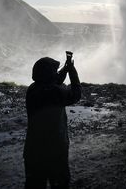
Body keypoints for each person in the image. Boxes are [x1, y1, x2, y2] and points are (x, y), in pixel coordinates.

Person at [24, 52, 82, 189]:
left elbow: (52, 81)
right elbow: (76, 93)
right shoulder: (57, 92)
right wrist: (72, 71)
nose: (56, 74)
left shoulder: (32, 90)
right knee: (60, 184)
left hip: (33, 151)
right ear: (49, 75)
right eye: (54, 71)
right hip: (55, 151)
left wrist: (64, 70)